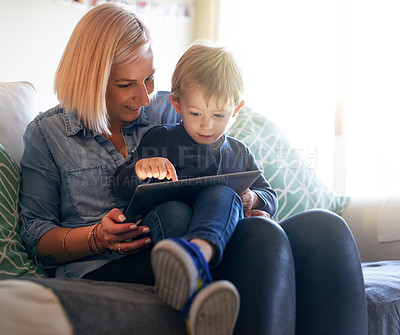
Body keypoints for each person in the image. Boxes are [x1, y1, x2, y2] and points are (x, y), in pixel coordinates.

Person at [18, 3, 368, 335]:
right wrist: (98, 237)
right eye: (126, 85)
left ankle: (200, 261)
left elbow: (215, 132)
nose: (144, 98)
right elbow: (37, 238)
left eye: (150, 79)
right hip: (113, 265)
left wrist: (252, 202)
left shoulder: (167, 110)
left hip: (197, 239)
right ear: (90, 79)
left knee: (325, 228)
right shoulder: (47, 135)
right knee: (259, 238)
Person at [112, 41, 278, 328]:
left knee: (225, 194)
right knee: (175, 210)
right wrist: (139, 169)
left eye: (218, 115)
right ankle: (196, 279)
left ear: (236, 109)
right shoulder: (161, 140)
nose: (207, 126)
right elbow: (120, 186)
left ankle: (196, 259)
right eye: (196, 114)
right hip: (169, 226)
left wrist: (253, 199)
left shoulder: (239, 153)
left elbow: (270, 196)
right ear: (177, 105)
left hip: (218, 241)